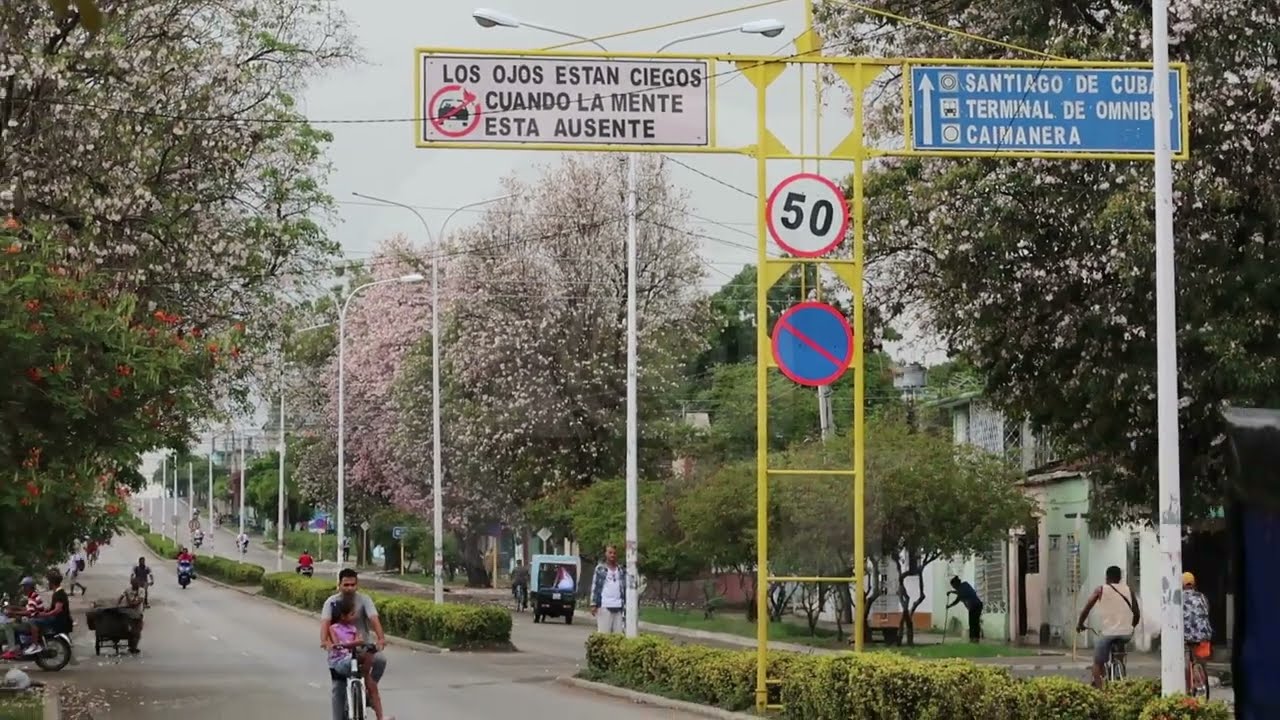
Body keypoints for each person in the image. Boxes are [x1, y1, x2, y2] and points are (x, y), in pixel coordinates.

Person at [320, 569, 388, 720]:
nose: (349, 588)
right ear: (339, 585)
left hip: (363, 648)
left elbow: (374, 619)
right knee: (338, 688)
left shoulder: (364, 600)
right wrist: (326, 643)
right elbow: (325, 627)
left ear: (357, 585)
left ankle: (367, 693)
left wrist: (381, 639)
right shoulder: (331, 603)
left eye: (353, 584)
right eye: (346, 584)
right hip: (340, 653)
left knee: (380, 660)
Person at [1076, 565, 1140, 689]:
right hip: (1126, 633)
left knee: (1097, 663)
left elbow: (1086, 609)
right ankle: (1121, 670)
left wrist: (1080, 624)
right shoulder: (1128, 590)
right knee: (1119, 648)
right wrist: (1131, 627)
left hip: (1108, 633)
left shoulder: (1100, 590)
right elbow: (1136, 613)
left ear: (1107, 577)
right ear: (1120, 578)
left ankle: (1101, 692)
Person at [29, 572, 72, 654]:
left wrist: (44, 614)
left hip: (58, 620)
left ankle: (35, 645)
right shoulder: (58, 592)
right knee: (37, 618)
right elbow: (53, 608)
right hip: (60, 619)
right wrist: (44, 611)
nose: (47, 584)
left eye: (48, 582)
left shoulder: (59, 594)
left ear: (52, 583)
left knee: (32, 621)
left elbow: (57, 610)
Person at [590, 545, 626, 634]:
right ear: (606, 554)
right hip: (604, 605)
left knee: (618, 635)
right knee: (603, 634)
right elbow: (595, 586)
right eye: (610, 553)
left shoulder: (621, 570)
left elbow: (625, 587)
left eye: (614, 553)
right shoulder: (600, 569)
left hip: (618, 606)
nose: (612, 555)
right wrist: (593, 604)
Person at [946, 576, 984, 643]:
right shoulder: (964, 585)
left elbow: (957, 600)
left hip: (975, 606)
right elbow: (959, 591)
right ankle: (975, 638)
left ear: (956, 584)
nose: (953, 587)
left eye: (953, 586)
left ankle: (974, 639)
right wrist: (951, 592)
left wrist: (949, 606)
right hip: (976, 605)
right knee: (974, 622)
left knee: (973, 623)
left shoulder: (962, 588)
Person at [1182, 571, 1213, 653]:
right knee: (1201, 658)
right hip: (1203, 635)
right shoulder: (1201, 597)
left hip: (1186, 636)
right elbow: (1207, 611)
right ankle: (1200, 664)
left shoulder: (1179, 598)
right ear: (1193, 583)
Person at [117, 578, 145, 654]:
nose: (136, 585)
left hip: (137, 613)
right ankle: (132, 647)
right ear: (132, 584)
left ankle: (133, 647)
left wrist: (130, 601)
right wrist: (118, 604)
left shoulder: (141, 590)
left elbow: (139, 601)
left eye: (136, 584)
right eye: (134, 584)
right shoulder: (128, 590)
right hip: (130, 614)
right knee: (133, 631)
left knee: (137, 631)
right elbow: (120, 598)